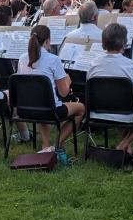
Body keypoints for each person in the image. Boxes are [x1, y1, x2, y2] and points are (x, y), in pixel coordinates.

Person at [17, 25, 85, 154]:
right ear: (48, 41)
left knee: (43, 101)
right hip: (49, 110)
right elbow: (64, 93)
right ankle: (57, 144)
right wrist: (68, 81)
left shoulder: (22, 59)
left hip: (25, 109)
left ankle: (46, 145)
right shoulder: (53, 60)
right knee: (81, 108)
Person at [86, 23, 133, 154]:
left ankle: (126, 147)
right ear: (124, 42)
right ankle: (124, 144)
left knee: (122, 105)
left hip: (97, 112)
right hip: (125, 112)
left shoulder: (93, 64)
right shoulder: (129, 64)